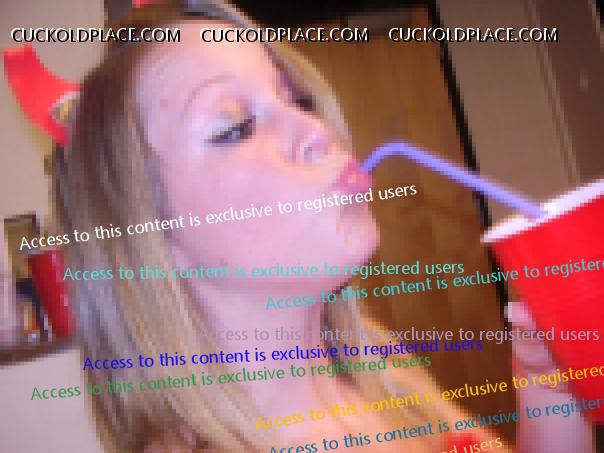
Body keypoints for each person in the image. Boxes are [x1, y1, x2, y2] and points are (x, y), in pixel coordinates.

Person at [48, 1, 594, 452]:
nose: (316, 130)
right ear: (152, 239)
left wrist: (548, 388)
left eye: (297, 100)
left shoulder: (381, 370)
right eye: (235, 126)